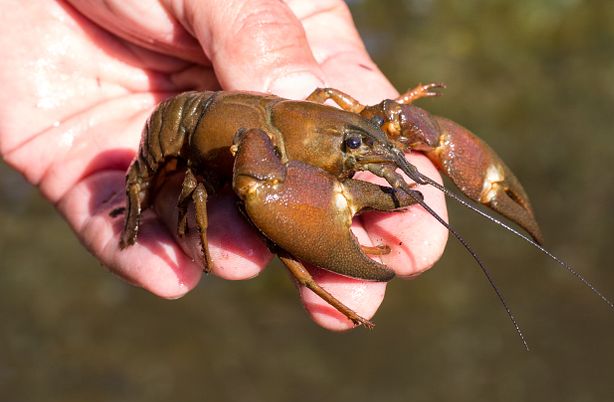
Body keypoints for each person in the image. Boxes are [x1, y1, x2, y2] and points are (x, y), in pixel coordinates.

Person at [0, 0, 448, 330]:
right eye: (351, 139)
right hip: (171, 134)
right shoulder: (254, 153)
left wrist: (373, 129)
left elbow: (329, 101)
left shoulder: (320, 112)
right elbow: (238, 182)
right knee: (269, 229)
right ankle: (136, 211)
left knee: (355, 137)